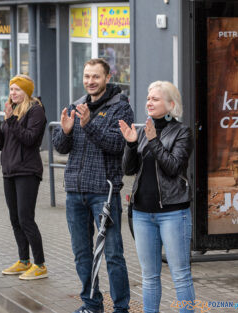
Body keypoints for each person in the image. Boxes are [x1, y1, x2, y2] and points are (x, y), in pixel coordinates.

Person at [52, 58, 133, 313]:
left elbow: (117, 145)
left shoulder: (121, 107)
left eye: (95, 77)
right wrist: (65, 132)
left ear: (107, 77)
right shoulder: (77, 105)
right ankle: (91, 304)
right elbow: (60, 147)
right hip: (75, 191)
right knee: (82, 254)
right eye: (87, 76)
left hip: (104, 192)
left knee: (112, 255)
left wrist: (89, 125)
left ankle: (121, 308)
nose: (90, 81)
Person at [120, 81, 195, 313]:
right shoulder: (143, 130)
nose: (149, 102)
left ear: (171, 104)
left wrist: (153, 141)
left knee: (180, 275)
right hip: (143, 213)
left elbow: (173, 167)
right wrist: (131, 145)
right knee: (149, 276)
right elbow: (128, 170)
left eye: (155, 99)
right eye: (148, 98)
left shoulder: (183, 132)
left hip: (173, 213)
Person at [0, 74, 48, 280]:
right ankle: (23, 260)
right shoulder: (11, 112)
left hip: (27, 171)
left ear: (26, 91)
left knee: (26, 218)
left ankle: (40, 264)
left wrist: (10, 119)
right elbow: (2, 145)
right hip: (9, 171)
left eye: (17, 89)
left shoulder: (35, 110)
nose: (13, 93)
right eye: (11, 89)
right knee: (15, 219)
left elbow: (30, 139)